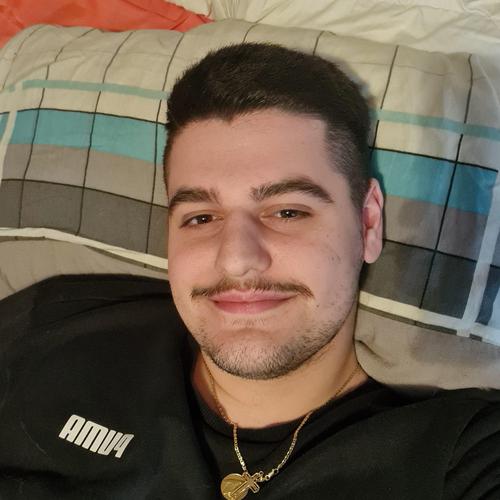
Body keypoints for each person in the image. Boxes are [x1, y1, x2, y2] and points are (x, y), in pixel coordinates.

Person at [0, 43, 499, 500]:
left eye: (288, 211)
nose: (236, 258)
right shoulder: (55, 323)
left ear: (368, 223)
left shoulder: (459, 454)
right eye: (201, 218)